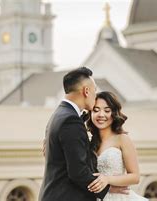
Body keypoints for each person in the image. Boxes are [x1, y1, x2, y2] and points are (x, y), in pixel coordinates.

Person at [39, 67, 117, 201]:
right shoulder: (71, 120)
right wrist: (110, 189)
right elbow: (78, 172)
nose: (96, 95)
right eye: (95, 90)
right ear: (86, 91)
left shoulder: (58, 115)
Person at [86, 91, 148, 201]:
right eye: (96, 110)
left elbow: (135, 176)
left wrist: (108, 180)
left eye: (107, 110)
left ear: (114, 113)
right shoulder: (89, 143)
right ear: (90, 113)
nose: (101, 115)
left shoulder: (122, 139)